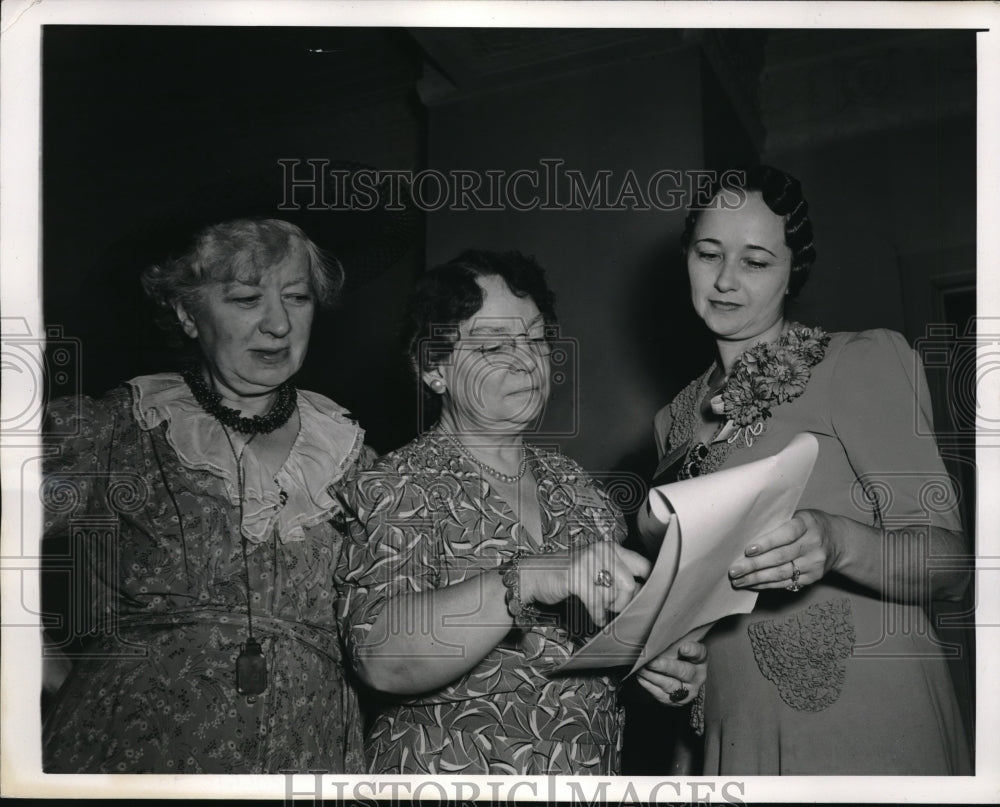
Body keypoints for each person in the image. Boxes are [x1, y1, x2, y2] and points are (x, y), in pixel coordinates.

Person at [643, 165, 972, 775]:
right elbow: (694, 605)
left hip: (863, 720)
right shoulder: (673, 420)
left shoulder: (859, 362)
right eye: (708, 252)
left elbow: (951, 565)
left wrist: (839, 541)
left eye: (756, 261)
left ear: (794, 269)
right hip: (730, 728)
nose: (723, 279)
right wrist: (674, 662)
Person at [335, 250, 707, 775]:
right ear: (433, 368)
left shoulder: (581, 493)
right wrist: (527, 577)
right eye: (492, 346)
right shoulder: (399, 484)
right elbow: (379, 657)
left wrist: (658, 665)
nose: (525, 360)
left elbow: (602, 659)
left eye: (534, 339)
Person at [41, 218, 372, 773]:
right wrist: (39, 660)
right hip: (136, 746)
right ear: (187, 314)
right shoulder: (120, 427)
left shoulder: (350, 451)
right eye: (245, 298)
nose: (278, 324)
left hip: (308, 747)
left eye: (297, 297)